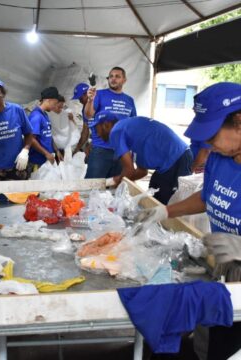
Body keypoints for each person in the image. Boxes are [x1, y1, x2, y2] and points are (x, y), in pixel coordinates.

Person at [136, 82, 241, 360]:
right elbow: (207, 197)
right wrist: (167, 212)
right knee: (215, 341)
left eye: (212, 134)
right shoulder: (220, 158)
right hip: (225, 267)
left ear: (239, 123)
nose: (208, 144)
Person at [93, 110, 193, 205]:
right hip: (173, 160)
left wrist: (114, 182)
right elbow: (142, 172)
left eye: (97, 129)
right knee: (152, 197)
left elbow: (129, 170)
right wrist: (120, 181)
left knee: (167, 206)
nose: (97, 134)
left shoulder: (116, 131)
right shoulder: (131, 131)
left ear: (106, 125)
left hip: (177, 160)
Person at [83, 67, 137, 178]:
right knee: (92, 187)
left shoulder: (129, 100)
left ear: (124, 80)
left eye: (117, 76)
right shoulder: (99, 94)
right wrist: (89, 100)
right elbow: (88, 115)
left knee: (115, 189)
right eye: (111, 76)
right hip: (101, 150)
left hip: (121, 152)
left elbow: (133, 125)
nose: (113, 79)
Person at [28, 87, 63, 172]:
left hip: (45, 160)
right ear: (48, 100)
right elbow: (31, 139)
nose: (54, 106)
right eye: (54, 103)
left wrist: (57, 151)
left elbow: (48, 135)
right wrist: (46, 153)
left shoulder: (45, 115)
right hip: (36, 162)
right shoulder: (36, 116)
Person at [71, 82, 92, 156]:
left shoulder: (99, 104)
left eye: (80, 98)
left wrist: (92, 144)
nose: (79, 101)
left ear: (86, 94)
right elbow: (85, 132)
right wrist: (76, 149)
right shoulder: (84, 110)